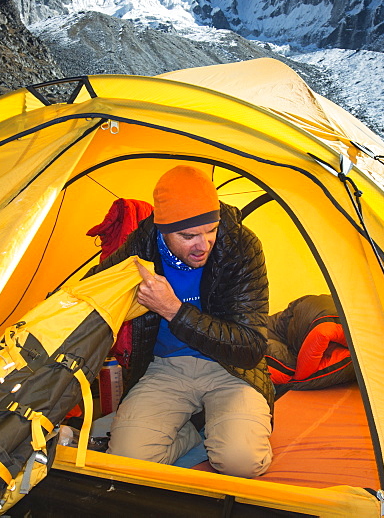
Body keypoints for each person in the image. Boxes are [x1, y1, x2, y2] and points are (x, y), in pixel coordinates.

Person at [86, 164, 274, 477]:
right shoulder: (142, 246)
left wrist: (173, 309)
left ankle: (215, 429)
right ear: (163, 230)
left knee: (242, 462)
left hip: (232, 368)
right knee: (126, 460)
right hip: (166, 368)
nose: (204, 245)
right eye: (189, 235)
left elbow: (251, 347)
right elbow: (91, 290)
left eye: (211, 230)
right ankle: (186, 433)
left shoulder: (241, 246)